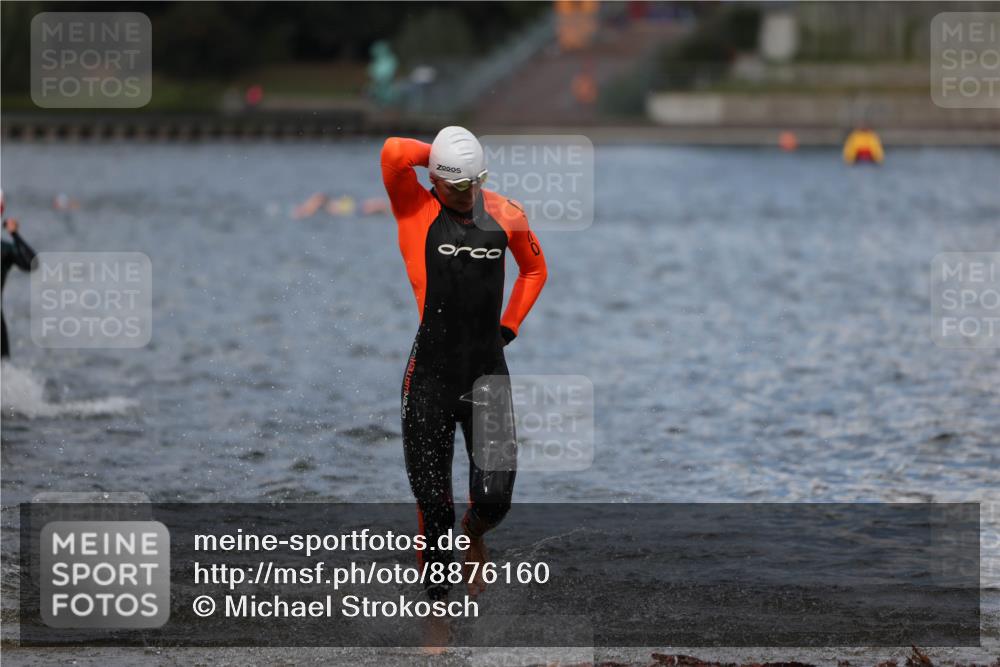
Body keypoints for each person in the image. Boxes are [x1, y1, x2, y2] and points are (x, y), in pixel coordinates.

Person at [380, 127, 547, 605]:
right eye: (457, 184)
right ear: (435, 178)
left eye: (476, 181)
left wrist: (508, 328)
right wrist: (442, 154)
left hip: (486, 375)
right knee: (435, 511)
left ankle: (474, 535)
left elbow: (535, 270)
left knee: (494, 501)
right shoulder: (413, 208)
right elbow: (393, 151)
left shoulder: (506, 213)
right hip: (429, 379)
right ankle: (437, 620)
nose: (468, 193)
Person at [1, 191, 38, 359]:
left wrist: (15, 235)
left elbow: (32, 263)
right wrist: (14, 234)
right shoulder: (5, 250)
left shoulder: (4, 250)